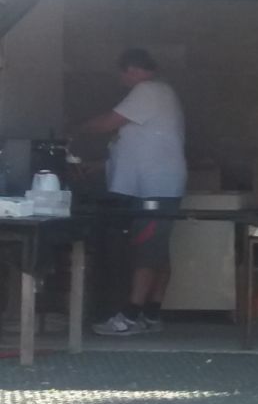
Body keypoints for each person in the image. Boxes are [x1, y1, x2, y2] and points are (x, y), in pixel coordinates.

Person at [77, 48, 187, 337]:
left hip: (155, 189)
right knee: (157, 250)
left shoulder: (148, 90)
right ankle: (151, 314)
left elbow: (108, 123)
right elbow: (137, 146)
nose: (121, 80)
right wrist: (101, 166)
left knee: (146, 250)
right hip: (159, 186)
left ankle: (130, 316)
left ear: (133, 70)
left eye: (122, 74)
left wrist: (77, 128)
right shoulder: (160, 93)